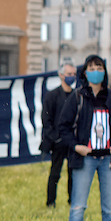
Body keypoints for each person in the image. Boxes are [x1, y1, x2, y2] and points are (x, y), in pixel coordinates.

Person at [58, 55, 111, 221]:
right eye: (91, 67)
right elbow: (64, 126)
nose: (95, 70)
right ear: (85, 72)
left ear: (104, 71)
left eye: (99, 66)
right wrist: (76, 146)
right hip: (85, 159)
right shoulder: (77, 97)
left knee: (109, 209)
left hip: (108, 159)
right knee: (78, 207)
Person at [40, 63, 77, 207]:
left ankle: (72, 201)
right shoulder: (52, 95)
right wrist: (55, 137)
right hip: (58, 142)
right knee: (55, 173)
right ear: (61, 75)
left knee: (73, 173)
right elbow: (46, 119)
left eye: (74, 74)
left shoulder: (76, 95)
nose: (72, 77)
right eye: (69, 74)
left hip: (72, 141)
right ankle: (51, 202)